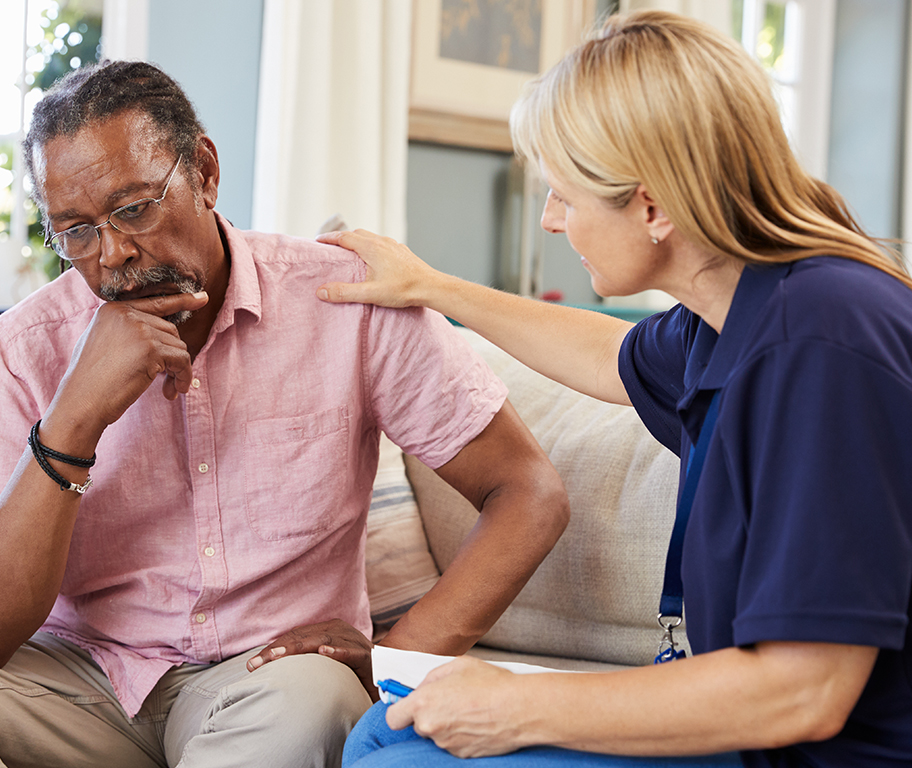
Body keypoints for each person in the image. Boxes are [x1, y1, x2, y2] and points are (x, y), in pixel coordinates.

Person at [0, 61, 571, 768]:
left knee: (310, 708)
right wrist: (74, 421)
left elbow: (528, 493)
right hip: (76, 682)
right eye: (77, 231)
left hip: (267, 678)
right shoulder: (22, 347)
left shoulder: (346, 302)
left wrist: (398, 657)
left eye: (133, 209)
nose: (114, 254)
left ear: (205, 173)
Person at [316, 10, 912, 768]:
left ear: (654, 206)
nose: (551, 220)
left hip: (828, 751)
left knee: (402, 758)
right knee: (386, 729)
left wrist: (516, 705)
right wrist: (430, 286)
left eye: (564, 194)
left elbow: (806, 690)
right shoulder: (732, 311)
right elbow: (610, 357)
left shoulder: (824, 342)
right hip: (759, 739)